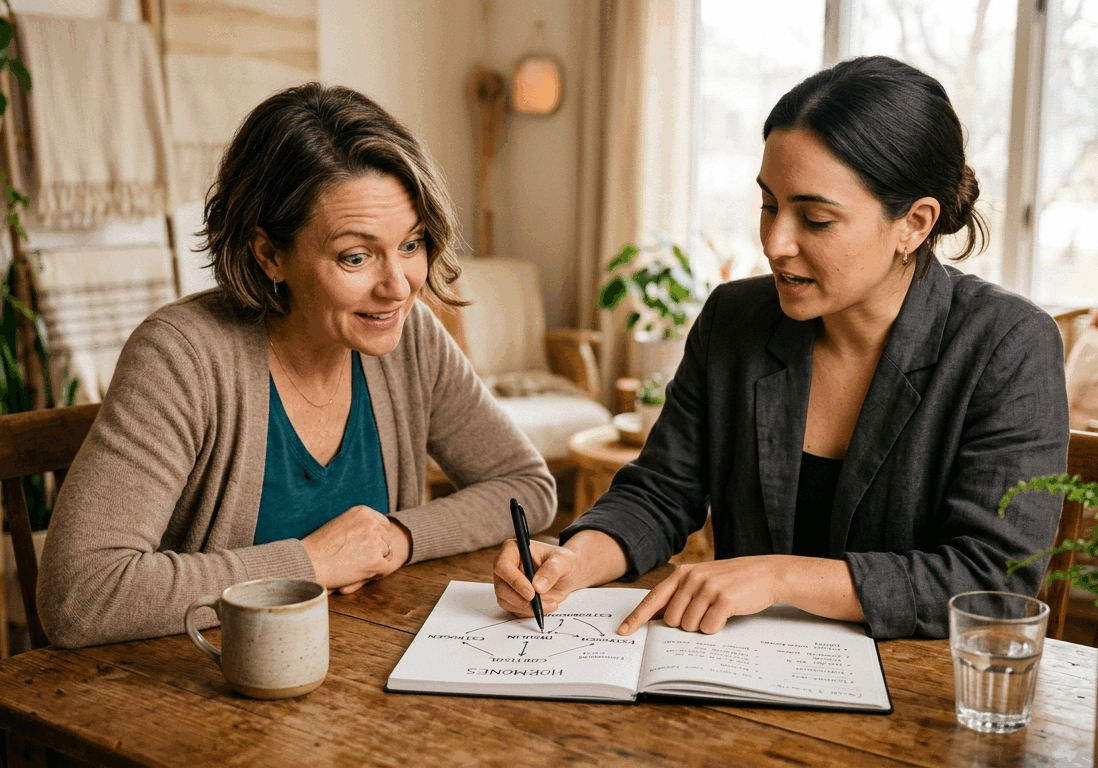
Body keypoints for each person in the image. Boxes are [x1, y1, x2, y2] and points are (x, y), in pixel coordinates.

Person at [494, 56, 1068, 640]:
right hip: (734, 677)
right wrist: (578, 558)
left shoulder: (1007, 344)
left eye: (814, 219)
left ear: (914, 224)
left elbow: (993, 583)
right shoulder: (733, 320)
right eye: (769, 204)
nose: (774, 242)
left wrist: (781, 578)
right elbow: (662, 492)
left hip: (919, 700)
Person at [38, 83, 555, 648]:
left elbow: (526, 487)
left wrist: (397, 538)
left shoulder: (410, 338)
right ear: (270, 255)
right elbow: (79, 594)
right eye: (355, 257)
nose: (398, 286)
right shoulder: (180, 358)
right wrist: (309, 563)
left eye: (411, 244)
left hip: (368, 668)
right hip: (195, 697)